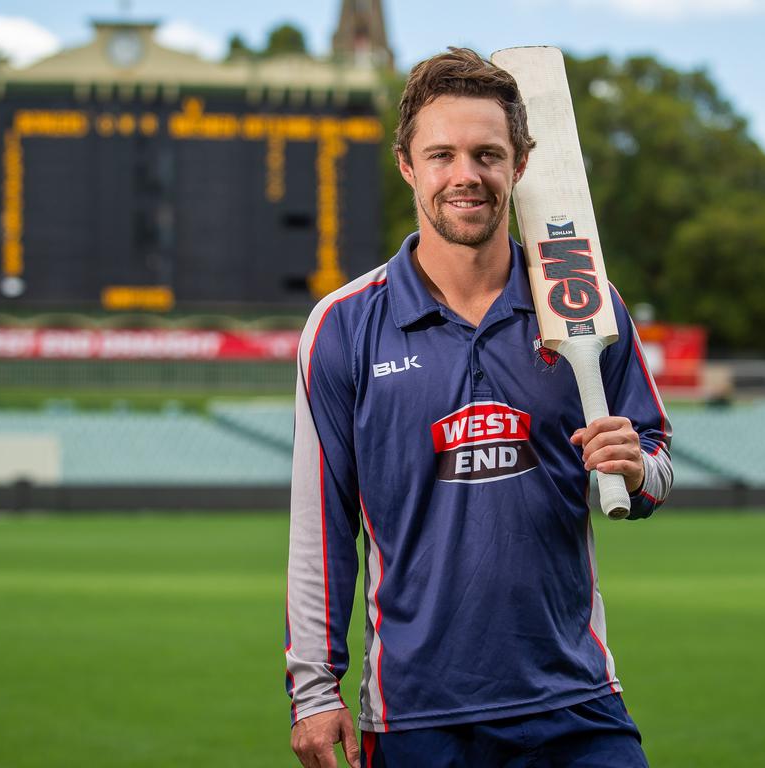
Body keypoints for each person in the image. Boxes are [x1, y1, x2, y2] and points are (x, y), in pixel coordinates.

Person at [286, 47, 673, 768]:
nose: (466, 174)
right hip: (416, 719)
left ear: (520, 164)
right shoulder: (341, 327)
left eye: (487, 153)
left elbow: (653, 469)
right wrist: (314, 690)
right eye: (443, 155)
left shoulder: (585, 304)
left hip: (574, 703)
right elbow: (322, 526)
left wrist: (636, 468)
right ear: (407, 165)